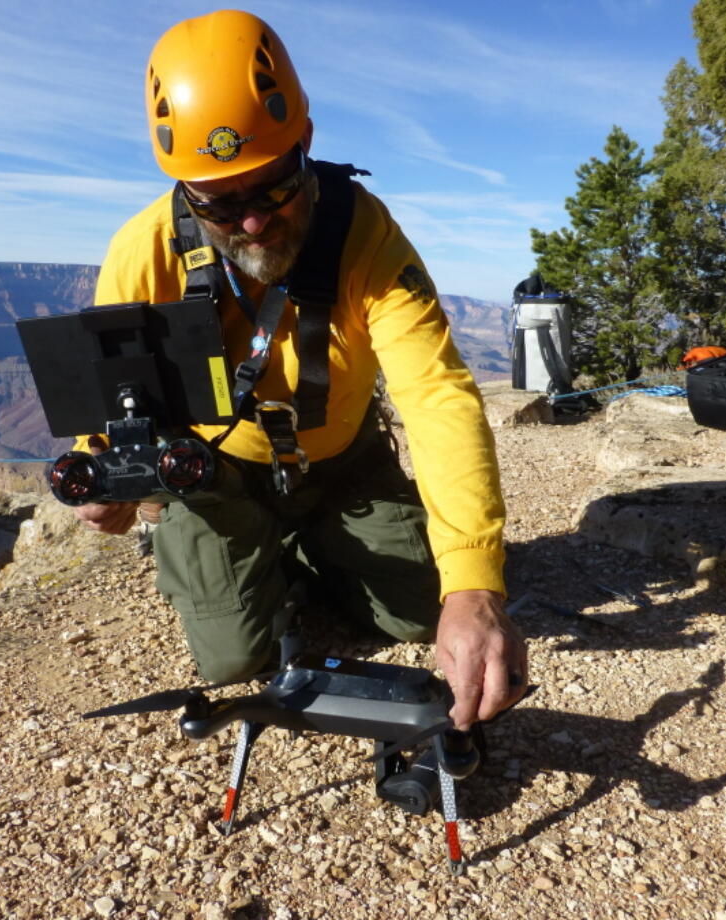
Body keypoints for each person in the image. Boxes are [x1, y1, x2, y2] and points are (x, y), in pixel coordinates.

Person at [73, 9, 525, 729]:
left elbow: (436, 395)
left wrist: (474, 585)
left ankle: (302, 551)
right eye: (220, 201)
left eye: (274, 185)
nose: (252, 221)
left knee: (420, 614)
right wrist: (100, 469)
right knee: (231, 662)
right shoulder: (144, 250)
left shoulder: (365, 234)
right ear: (186, 187)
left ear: (305, 145)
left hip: (343, 463)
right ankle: (235, 552)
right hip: (219, 476)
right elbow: (112, 396)